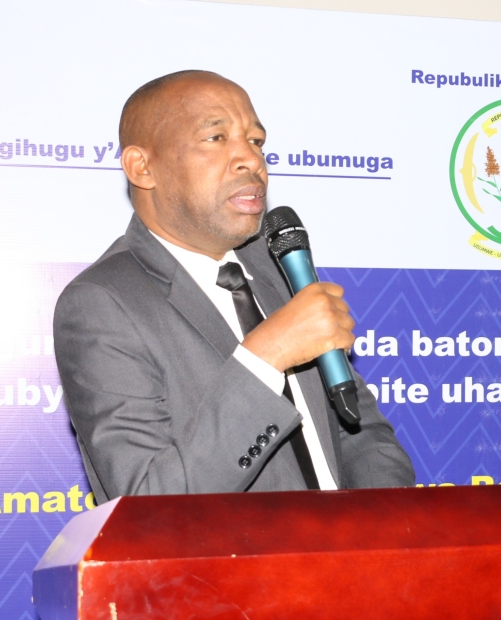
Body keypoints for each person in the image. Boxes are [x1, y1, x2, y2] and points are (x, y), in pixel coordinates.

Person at [54, 70, 414, 501]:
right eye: (216, 138)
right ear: (142, 167)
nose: (251, 159)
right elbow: (149, 500)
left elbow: (358, 429)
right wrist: (266, 357)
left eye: (256, 141)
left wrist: (378, 525)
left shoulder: (281, 266)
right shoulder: (102, 303)